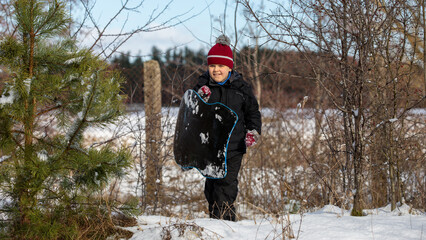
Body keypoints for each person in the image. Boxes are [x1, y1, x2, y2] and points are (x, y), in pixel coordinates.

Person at [192, 34, 262, 221]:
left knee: (226, 184)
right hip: (210, 147)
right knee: (212, 187)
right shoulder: (203, 86)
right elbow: (192, 112)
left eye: (221, 66)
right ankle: (215, 221)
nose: (216, 70)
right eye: (212, 66)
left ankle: (225, 224)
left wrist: (253, 131)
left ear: (229, 67)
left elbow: (253, 113)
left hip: (233, 146)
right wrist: (200, 98)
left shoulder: (241, 89)